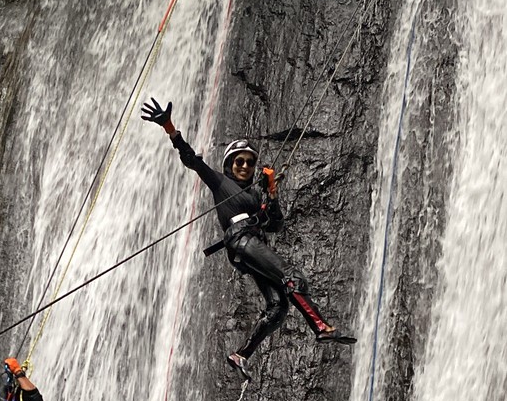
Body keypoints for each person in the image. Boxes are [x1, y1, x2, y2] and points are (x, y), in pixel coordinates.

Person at [141, 97, 355, 378]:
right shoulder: (220, 182)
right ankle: (321, 328)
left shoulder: (255, 196)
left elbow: (275, 225)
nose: (244, 166)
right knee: (292, 276)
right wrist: (169, 127)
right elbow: (191, 160)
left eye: (249, 163)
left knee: (278, 307)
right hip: (241, 240)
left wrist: (272, 193)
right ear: (229, 164)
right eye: (238, 161)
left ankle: (241, 355)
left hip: (251, 245)